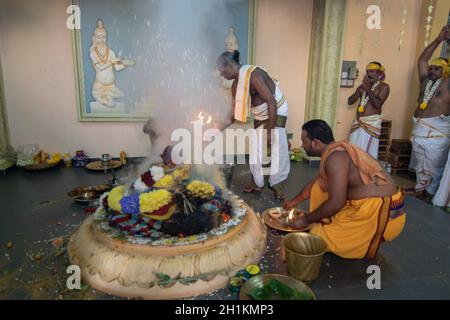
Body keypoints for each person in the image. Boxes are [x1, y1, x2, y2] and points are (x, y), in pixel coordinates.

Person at [284, 120, 406, 259]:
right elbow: (315, 183)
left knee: (317, 236)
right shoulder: (336, 151)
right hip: (381, 207)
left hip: (385, 216)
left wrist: (306, 219)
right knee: (320, 186)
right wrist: (295, 201)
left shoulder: (335, 158)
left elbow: (337, 202)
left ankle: (367, 240)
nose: (302, 146)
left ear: (315, 143)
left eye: (304, 141)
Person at [216, 50, 290, 200]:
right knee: (256, 148)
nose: (222, 75)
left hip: (276, 109)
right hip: (260, 114)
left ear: (230, 66)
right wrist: (216, 129)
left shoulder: (254, 76)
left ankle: (277, 184)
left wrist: (269, 132)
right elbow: (233, 115)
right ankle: (258, 182)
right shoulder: (236, 85)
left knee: (277, 148)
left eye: (222, 71)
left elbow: (271, 102)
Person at [406, 25, 450, 198]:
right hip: (420, 130)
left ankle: (432, 193)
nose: (431, 71)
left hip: (437, 133)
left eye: (436, 68)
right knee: (421, 164)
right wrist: (438, 39)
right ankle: (421, 189)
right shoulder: (425, 82)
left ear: (445, 71)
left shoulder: (447, 85)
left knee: (433, 167)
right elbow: (422, 61)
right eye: (431, 68)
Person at [347, 62, 390, 159]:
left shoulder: (384, 87)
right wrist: (358, 92)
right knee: (353, 152)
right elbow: (350, 101)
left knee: (366, 155)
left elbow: (377, 104)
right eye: (367, 72)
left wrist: (368, 90)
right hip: (358, 123)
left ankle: (366, 172)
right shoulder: (362, 86)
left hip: (371, 124)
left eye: (372, 71)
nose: (369, 74)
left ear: (379, 73)